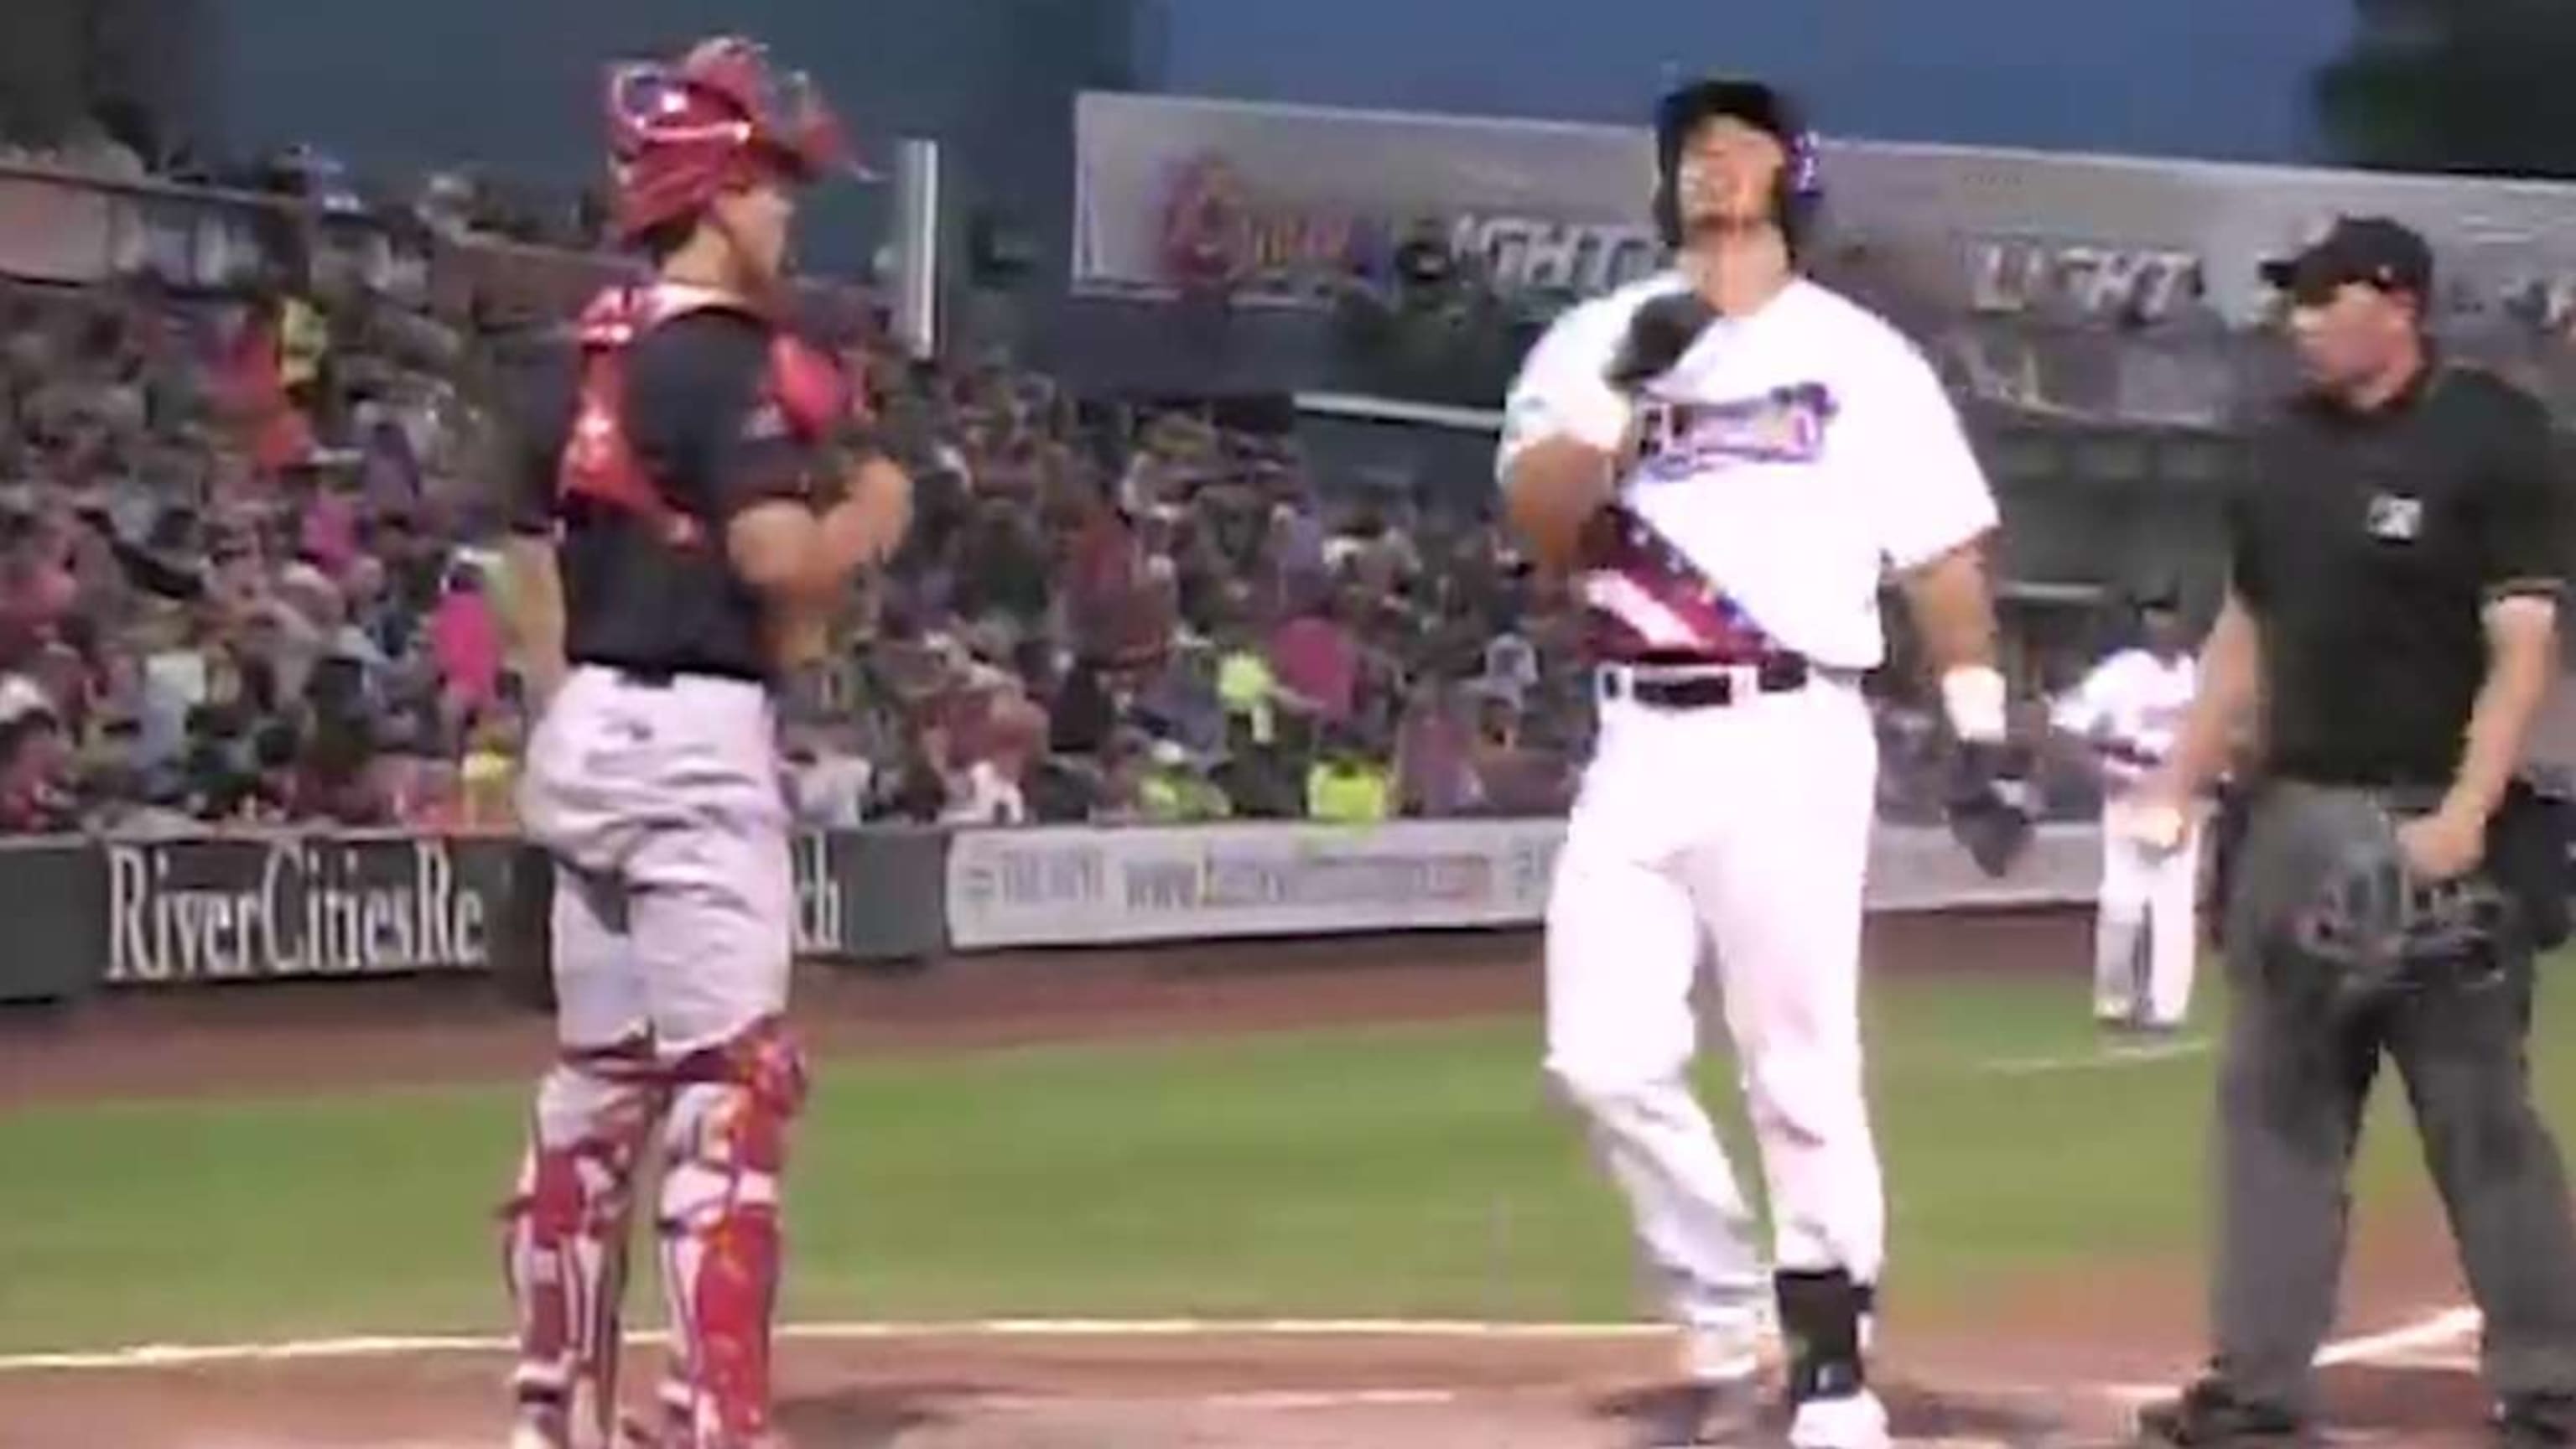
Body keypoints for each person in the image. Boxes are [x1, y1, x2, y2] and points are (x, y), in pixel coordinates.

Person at [1496, 77, 2014, 1449]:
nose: (1713, 167)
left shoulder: (1858, 356)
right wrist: (1625, 387)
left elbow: (1942, 554)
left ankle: (1830, 1351)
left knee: (1798, 1059)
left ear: (1795, 175)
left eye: (1742, 147)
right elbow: (1542, 523)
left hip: (1791, 723)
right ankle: (1727, 1310)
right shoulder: (1592, 339)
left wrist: (1978, 730)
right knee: (1598, 1055)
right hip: (1635, 729)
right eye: (1690, 151)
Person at [494, 37, 911, 1449]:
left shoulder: (578, 354)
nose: (790, 211)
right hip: (690, 737)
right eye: (776, 185)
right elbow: (781, 558)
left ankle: (549, 1409)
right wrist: (877, 516)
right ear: (715, 191)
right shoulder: (728, 361)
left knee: (593, 1087)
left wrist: (566, 720)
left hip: (588, 724)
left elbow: (527, 564)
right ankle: (711, 1418)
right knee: (731, 1093)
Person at [2127, 216, 2576, 1447]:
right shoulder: (2278, 451)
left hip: (2432, 814)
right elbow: (2247, 631)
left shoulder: (2493, 436)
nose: (2300, 323)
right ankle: (2255, 1391)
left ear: (2398, 302)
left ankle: (2552, 1386)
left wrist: (2465, 820)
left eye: (2323, 300)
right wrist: (2180, 778)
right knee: (2274, 1119)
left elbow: (2523, 648)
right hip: (2294, 818)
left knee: (2480, 1117)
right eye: (2295, 302)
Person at [2049, 584, 2204, 1031]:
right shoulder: (2121, 673)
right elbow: (2066, 726)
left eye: (2169, 613)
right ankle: (2113, 1003)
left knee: (2175, 906)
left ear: (2185, 622)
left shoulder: (2199, 676)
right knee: (2122, 903)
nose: (2161, 624)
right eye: (2153, 613)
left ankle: (2167, 1009)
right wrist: (2101, 772)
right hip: (2128, 786)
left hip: (2177, 789)